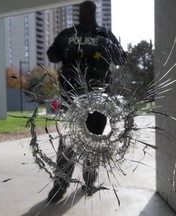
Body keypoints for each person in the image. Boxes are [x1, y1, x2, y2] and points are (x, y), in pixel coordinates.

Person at [46, 0, 126, 202]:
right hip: (82, 100)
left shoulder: (70, 34)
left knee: (81, 140)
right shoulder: (103, 35)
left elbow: (52, 54)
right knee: (83, 140)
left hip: (84, 100)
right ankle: (81, 182)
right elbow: (121, 59)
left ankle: (68, 184)